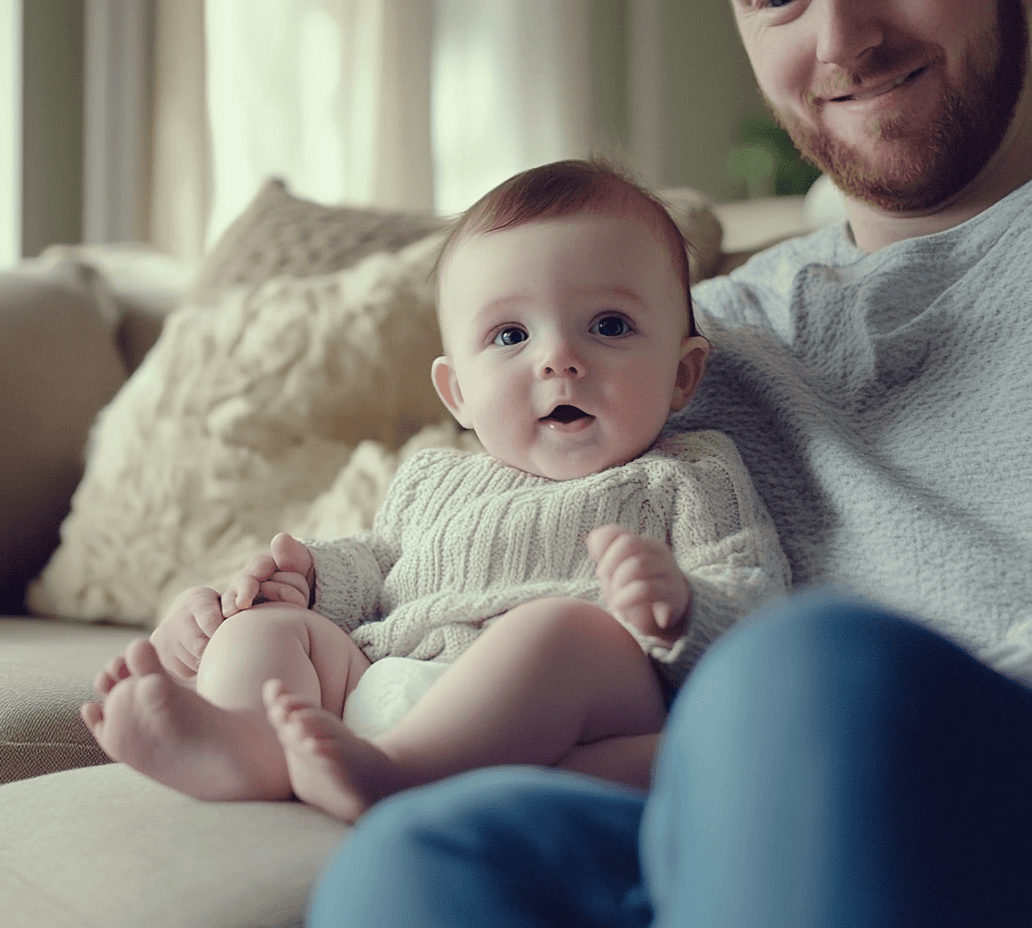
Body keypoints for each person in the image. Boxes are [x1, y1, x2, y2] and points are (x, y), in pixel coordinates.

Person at [308, 0, 1032, 925]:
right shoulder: (667, 340)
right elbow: (447, 548)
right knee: (419, 863)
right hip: (712, 803)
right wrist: (285, 591)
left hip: (963, 777)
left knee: (800, 674)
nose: (843, 37)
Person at [80, 160, 790, 823]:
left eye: (609, 326)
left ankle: (397, 775)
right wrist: (308, 579)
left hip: (571, 713)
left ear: (681, 375)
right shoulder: (432, 479)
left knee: (561, 630)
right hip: (393, 681)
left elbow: (758, 604)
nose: (559, 359)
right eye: (511, 334)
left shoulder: (691, 473)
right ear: (457, 393)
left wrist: (683, 607)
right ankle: (247, 744)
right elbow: (380, 563)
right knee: (267, 631)